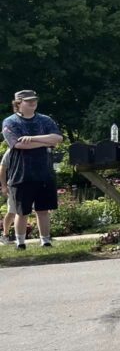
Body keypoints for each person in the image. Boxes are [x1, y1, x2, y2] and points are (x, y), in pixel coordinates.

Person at [2, 90, 63, 250]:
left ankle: (45, 241)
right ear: (18, 103)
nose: (32, 103)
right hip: (21, 174)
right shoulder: (10, 122)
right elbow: (18, 144)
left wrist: (34, 139)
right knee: (22, 212)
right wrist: (46, 141)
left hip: (44, 172)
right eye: (28, 101)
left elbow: (58, 139)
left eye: (34, 100)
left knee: (43, 210)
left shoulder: (45, 120)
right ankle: (20, 242)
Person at [1, 147, 16, 244]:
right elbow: (2, 167)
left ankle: (44, 237)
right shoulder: (11, 150)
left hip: (35, 183)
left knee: (39, 210)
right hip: (14, 184)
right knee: (12, 211)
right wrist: (4, 186)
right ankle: (5, 235)